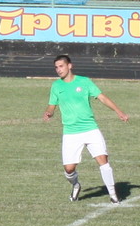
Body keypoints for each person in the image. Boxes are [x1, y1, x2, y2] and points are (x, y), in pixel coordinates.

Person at [45, 54, 129, 203]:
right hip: (71, 132)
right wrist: (49, 112)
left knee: (103, 160)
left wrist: (119, 112)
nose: (58, 70)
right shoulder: (56, 86)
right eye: (56, 67)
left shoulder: (84, 82)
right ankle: (76, 185)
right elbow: (52, 105)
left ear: (69, 66)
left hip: (90, 129)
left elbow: (102, 97)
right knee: (69, 169)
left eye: (61, 66)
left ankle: (113, 195)